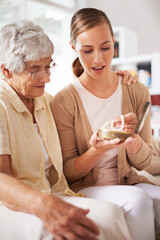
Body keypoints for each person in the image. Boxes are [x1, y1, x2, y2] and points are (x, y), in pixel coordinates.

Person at [0, 20, 137, 240]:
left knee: (110, 214)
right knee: (73, 233)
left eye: (48, 66)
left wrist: (116, 78)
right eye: (35, 70)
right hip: (14, 204)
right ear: (7, 70)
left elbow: (85, 102)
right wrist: (43, 205)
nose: (47, 77)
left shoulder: (46, 101)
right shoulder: (1, 105)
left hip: (53, 193)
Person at [51, 8, 159, 240]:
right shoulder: (65, 100)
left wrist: (133, 143)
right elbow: (68, 172)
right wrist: (97, 150)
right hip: (86, 188)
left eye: (106, 47)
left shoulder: (136, 90)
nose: (98, 58)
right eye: (87, 51)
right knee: (138, 200)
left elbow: (147, 162)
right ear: (73, 48)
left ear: (114, 43)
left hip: (128, 181)